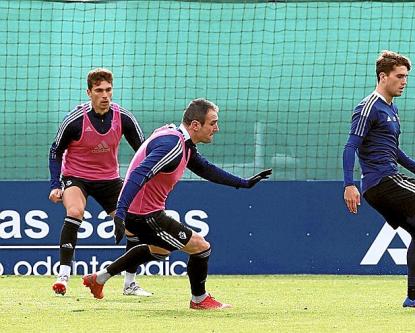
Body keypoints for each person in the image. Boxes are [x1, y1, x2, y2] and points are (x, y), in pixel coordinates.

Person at [81, 98, 272, 310]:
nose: (216, 128)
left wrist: (243, 183)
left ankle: (98, 279)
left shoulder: (182, 142)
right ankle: (199, 299)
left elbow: (206, 169)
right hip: (145, 215)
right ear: (195, 125)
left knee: (159, 250)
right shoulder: (172, 145)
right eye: (213, 123)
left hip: (144, 212)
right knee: (201, 247)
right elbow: (138, 174)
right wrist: (121, 213)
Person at [343, 50, 415, 308]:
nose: (404, 81)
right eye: (399, 76)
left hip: (382, 184)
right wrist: (349, 184)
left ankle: (414, 296)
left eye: (406, 76)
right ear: (383, 77)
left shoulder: (391, 109)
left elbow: (392, 149)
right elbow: (350, 147)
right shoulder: (368, 108)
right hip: (382, 181)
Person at [48, 68, 151, 297]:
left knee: (134, 225)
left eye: (108, 90)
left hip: (109, 180)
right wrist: (56, 184)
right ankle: (63, 276)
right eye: (99, 90)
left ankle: (130, 284)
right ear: (89, 92)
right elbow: (55, 152)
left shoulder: (123, 117)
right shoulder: (74, 121)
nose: (105, 95)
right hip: (76, 177)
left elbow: (143, 152)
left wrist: (145, 180)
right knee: (75, 211)